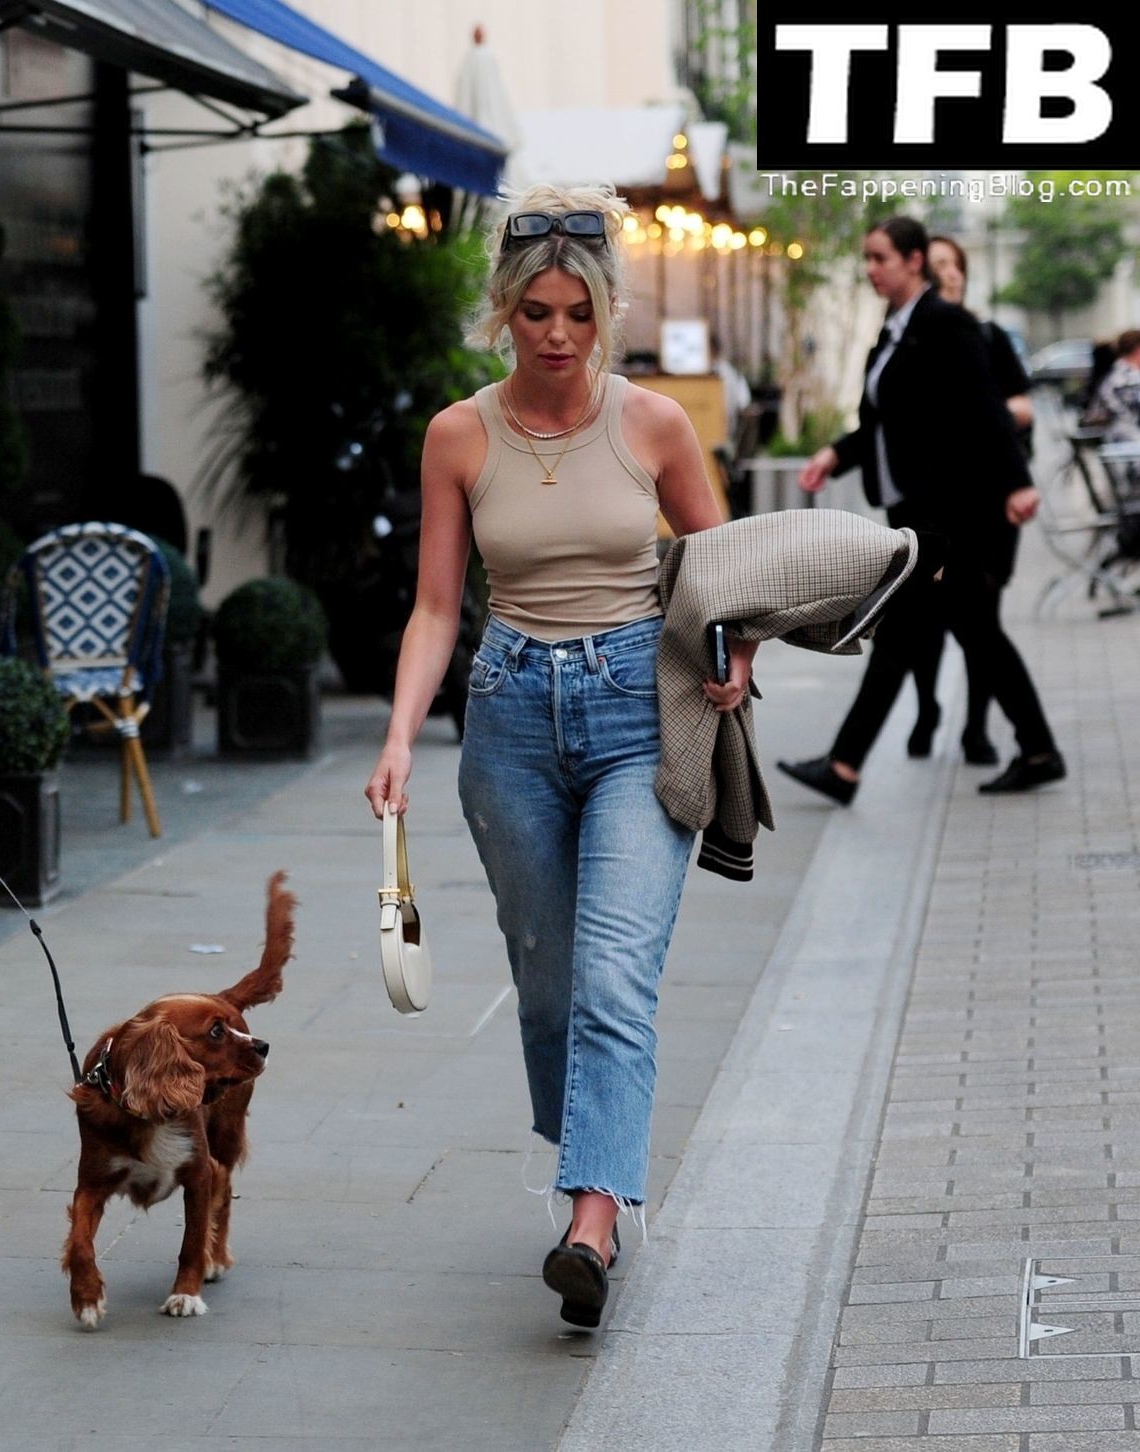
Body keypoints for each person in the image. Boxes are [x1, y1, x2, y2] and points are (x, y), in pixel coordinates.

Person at [364, 184, 753, 1328]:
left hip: (639, 711)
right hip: (510, 717)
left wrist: (735, 655)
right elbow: (439, 607)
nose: (558, 335)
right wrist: (399, 738)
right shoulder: (458, 435)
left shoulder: (654, 425)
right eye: (536, 312)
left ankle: (591, 1216)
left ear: (607, 311)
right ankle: (593, 1150)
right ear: (505, 309)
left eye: (579, 314)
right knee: (546, 980)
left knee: (614, 977)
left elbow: (725, 568)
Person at [777, 216, 1063, 805]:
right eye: (866, 258)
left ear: (913, 261)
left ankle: (847, 765)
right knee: (932, 632)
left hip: (953, 513)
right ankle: (850, 765)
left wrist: (1017, 482)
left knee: (953, 630)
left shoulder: (944, 323)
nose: (870, 269)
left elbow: (986, 408)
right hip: (917, 510)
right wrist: (835, 455)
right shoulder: (894, 330)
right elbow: (882, 421)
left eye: (880, 258)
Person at [902, 235, 1034, 768]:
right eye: (938, 266)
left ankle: (977, 728)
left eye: (954, 265)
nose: (948, 274)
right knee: (925, 618)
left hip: (991, 501)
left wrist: (983, 408)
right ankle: (926, 710)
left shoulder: (986, 335)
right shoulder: (910, 338)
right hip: (935, 501)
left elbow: (1022, 407)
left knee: (981, 619)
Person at [1093, 329, 1140, 442]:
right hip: (1129, 439)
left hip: (1121, 436)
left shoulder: (1117, 372)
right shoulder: (1126, 377)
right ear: (1137, 349)